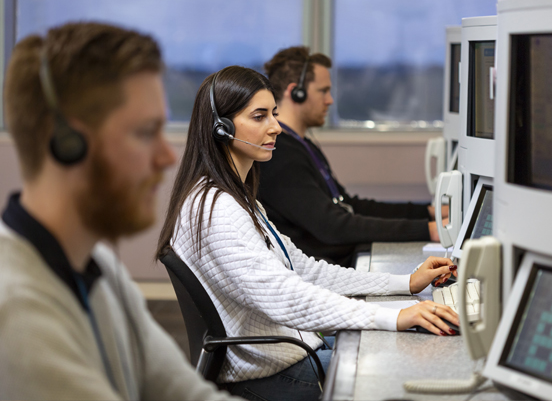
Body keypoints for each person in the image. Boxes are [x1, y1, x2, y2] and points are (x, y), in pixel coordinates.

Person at [157, 65, 459, 401]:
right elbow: (287, 297)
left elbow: (305, 270)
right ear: (221, 128)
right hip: (274, 375)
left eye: (273, 113)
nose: (275, 127)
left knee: (405, 343)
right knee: (405, 368)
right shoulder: (218, 210)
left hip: (290, 352)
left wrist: (404, 283)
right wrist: (394, 317)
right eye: (259, 117)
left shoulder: (237, 198)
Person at [0, 22, 240, 400]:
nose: (166, 157)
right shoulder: (14, 314)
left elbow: (187, 394)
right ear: (68, 146)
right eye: (146, 132)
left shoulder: (96, 264)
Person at [259, 46, 447, 267]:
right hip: (319, 271)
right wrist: (427, 229)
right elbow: (334, 226)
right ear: (296, 92)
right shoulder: (280, 156)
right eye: (323, 91)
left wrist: (428, 212)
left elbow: (347, 204)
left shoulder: (301, 145)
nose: (330, 100)